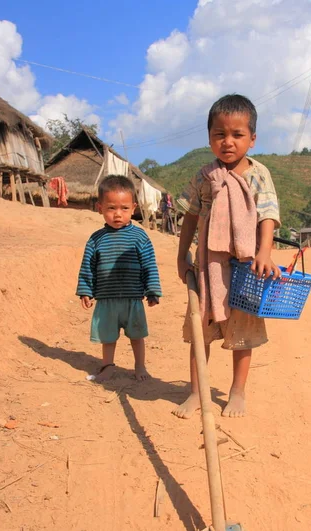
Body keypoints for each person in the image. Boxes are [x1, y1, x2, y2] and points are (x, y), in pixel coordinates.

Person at [175, 94, 281, 419]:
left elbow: (268, 216)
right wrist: (182, 255)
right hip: (208, 266)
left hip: (246, 266)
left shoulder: (259, 174)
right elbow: (190, 216)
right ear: (209, 137)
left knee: (243, 331)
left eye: (237, 135)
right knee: (200, 328)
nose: (228, 142)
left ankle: (237, 391)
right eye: (220, 134)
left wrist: (264, 252)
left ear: (252, 138)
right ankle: (197, 392)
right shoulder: (204, 175)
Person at [77, 175, 162, 382]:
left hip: (133, 299)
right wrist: (86, 290)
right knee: (108, 337)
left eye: (124, 208)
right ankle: (108, 366)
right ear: (100, 207)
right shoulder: (96, 239)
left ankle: (140, 366)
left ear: (133, 208)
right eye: (111, 208)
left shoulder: (140, 237)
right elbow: (87, 266)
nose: (117, 214)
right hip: (106, 299)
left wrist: (152, 290)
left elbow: (149, 264)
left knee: (137, 335)